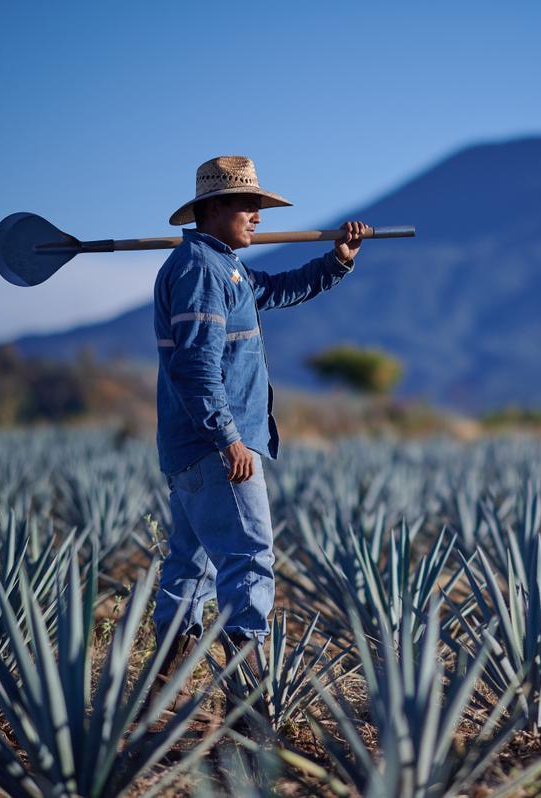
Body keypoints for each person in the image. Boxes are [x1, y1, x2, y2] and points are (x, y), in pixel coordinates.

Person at [148, 155, 365, 705]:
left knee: (190, 566)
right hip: (216, 447)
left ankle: (159, 691)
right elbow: (195, 366)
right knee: (249, 559)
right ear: (213, 208)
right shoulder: (201, 270)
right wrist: (229, 438)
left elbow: (278, 289)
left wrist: (336, 263)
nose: (259, 217)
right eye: (249, 206)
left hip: (190, 447)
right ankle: (250, 703)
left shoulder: (223, 269)